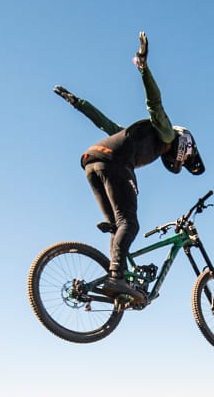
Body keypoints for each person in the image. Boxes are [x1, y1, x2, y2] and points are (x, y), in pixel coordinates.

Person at [53, 32, 205, 299]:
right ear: (183, 146)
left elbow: (104, 124)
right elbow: (154, 104)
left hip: (91, 161)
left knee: (116, 225)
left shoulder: (137, 139)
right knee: (130, 224)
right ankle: (116, 278)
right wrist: (144, 67)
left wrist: (77, 103)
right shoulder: (166, 135)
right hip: (113, 163)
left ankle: (117, 280)